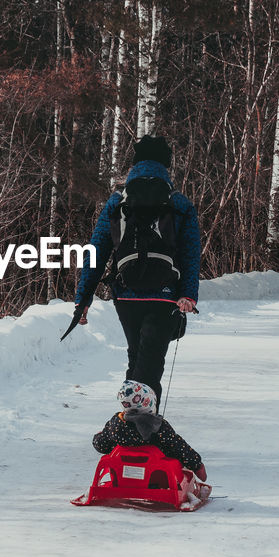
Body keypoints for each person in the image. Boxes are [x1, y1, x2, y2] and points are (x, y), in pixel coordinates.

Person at [73, 135, 200, 406]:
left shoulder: (117, 202)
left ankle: (130, 426)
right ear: (167, 166)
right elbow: (190, 254)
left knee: (138, 357)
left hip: (126, 294)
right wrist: (188, 293)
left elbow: (95, 253)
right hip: (165, 294)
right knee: (151, 362)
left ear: (135, 164)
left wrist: (83, 298)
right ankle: (140, 429)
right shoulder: (180, 204)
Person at [93, 380, 206, 481]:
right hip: (156, 478)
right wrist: (197, 465)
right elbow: (179, 446)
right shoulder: (159, 426)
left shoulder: (115, 425)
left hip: (123, 477)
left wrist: (98, 438)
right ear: (150, 404)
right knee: (172, 454)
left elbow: (102, 445)